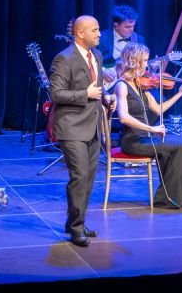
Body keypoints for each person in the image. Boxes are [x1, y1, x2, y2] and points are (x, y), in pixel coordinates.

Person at [49, 15, 116, 247]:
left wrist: (106, 98)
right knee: (79, 176)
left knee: (88, 178)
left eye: (98, 29)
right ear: (80, 33)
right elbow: (56, 94)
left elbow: (97, 87)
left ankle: (75, 222)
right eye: (94, 30)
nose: (99, 34)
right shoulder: (64, 58)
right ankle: (76, 228)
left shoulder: (96, 55)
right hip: (72, 126)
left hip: (93, 126)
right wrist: (84, 95)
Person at [113, 43, 182, 209]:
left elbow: (158, 109)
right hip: (133, 142)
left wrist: (180, 93)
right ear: (134, 61)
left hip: (146, 137)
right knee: (179, 146)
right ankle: (167, 199)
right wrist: (152, 129)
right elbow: (124, 117)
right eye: (144, 61)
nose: (147, 65)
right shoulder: (122, 85)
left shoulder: (140, 85)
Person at [98, 5, 146, 82]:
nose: (132, 30)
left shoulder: (139, 40)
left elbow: (141, 65)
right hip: (105, 80)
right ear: (116, 25)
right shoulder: (101, 38)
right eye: (127, 27)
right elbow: (89, 60)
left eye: (133, 26)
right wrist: (102, 70)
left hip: (129, 81)